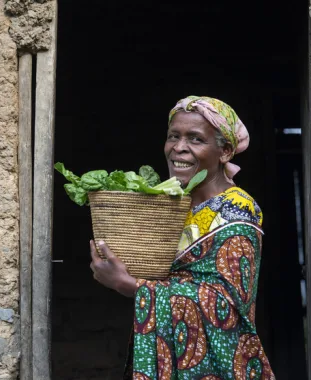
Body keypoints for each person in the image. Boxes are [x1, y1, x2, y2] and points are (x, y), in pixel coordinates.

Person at [90, 96, 275, 379]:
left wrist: (133, 287)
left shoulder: (237, 209)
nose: (179, 147)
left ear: (225, 150)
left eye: (195, 139)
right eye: (173, 136)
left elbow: (226, 306)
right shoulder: (173, 204)